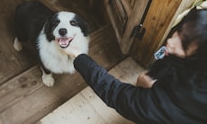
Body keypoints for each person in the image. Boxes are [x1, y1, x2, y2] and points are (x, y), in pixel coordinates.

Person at [63, 8, 207, 124]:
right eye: (179, 31)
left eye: (184, 44)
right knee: (144, 80)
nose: (170, 41)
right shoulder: (196, 69)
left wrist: (78, 56)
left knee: (143, 81)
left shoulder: (173, 103)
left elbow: (116, 94)